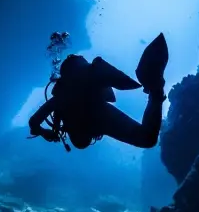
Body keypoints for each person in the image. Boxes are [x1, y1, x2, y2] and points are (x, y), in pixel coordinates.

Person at [28, 33, 169, 150]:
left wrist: (44, 132)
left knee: (148, 140)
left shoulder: (60, 99)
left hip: (98, 115)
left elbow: (34, 122)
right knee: (146, 138)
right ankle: (155, 89)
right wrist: (42, 131)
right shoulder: (61, 99)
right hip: (99, 113)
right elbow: (34, 122)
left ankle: (155, 90)